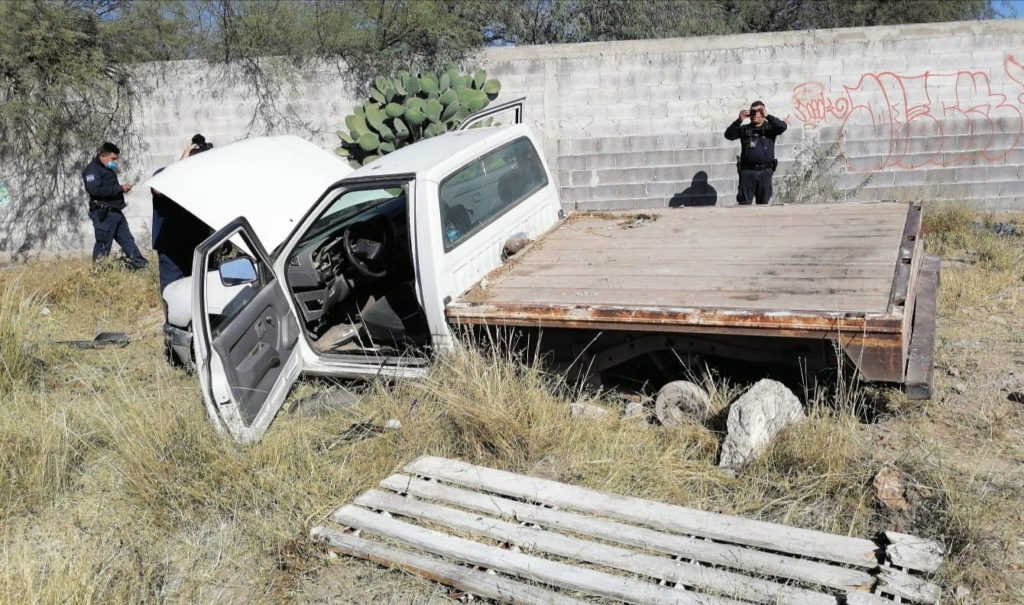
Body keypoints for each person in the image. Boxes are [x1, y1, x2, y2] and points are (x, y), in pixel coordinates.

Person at [151, 134, 214, 291]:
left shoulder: (204, 180)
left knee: (204, 292)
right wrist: (181, 165)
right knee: (174, 293)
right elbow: (158, 188)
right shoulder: (165, 174)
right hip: (173, 251)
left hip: (200, 246)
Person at [81, 142, 148, 268]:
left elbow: (108, 187)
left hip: (116, 212)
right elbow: (95, 191)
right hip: (104, 215)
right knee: (103, 244)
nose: (115, 161)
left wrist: (120, 189)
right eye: (113, 159)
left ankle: (141, 266)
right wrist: (120, 189)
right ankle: (98, 273)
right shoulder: (91, 170)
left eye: (116, 159)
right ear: (102, 155)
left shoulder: (108, 168)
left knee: (128, 241)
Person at [724, 101, 787, 205]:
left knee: (763, 204)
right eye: (753, 111)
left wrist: (768, 116)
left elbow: (783, 127)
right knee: (744, 205)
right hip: (747, 173)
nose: (756, 114)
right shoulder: (745, 129)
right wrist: (739, 120)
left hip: (765, 173)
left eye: (759, 111)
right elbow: (728, 135)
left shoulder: (770, 129)